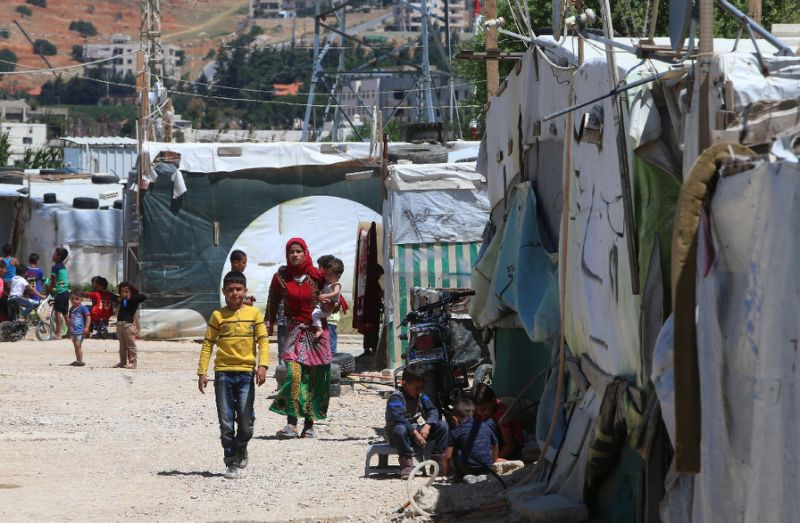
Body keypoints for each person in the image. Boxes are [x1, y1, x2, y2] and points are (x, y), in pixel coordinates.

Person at [198, 270, 269, 479]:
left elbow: (263, 341)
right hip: (223, 375)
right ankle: (231, 462)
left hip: (246, 374)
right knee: (226, 421)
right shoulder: (218, 315)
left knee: (246, 423)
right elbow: (208, 344)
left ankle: (242, 445)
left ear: (245, 291)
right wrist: (202, 371)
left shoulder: (254, 314)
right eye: (230, 290)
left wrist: (263, 365)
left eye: (238, 289)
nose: (234, 294)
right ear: (224, 292)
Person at [268, 238, 331, 439]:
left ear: (305, 252)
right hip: (294, 332)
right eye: (291, 252)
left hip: (316, 332)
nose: (294, 255)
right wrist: (267, 325)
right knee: (294, 375)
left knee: (312, 378)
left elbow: (335, 296)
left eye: (298, 251)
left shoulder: (318, 276)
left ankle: (309, 425)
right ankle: (291, 423)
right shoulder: (280, 278)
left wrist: (330, 304)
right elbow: (272, 302)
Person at [385, 365, 449, 479]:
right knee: (400, 429)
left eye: (421, 388)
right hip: (399, 435)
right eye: (416, 388)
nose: (419, 391)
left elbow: (432, 410)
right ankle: (406, 464)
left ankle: (438, 461)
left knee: (443, 426)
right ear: (404, 384)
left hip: (416, 432)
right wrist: (415, 433)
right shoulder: (396, 398)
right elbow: (398, 418)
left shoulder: (421, 396)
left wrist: (427, 426)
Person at [443, 397, 499, 478]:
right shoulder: (485, 425)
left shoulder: (455, 432)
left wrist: (446, 471)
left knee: (454, 447)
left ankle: (458, 475)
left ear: (455, 417)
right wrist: (494, 460)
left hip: (467, 469)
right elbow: (495, 444)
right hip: (487, 468)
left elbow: (447, 457)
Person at [474, 383, 524, 460]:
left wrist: (492, 459)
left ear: (493, 400)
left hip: (512, 448)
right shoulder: (482, 411)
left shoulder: (502, 415)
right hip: (496, 445)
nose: (479, 412)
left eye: (483, 409)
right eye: (477, 409)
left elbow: (510, 446)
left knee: (487, 423)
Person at [114, 281, 146, 369]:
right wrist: (119, 298)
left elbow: (143, 296)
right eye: (122, 291)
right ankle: (122, 362)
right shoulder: (121, 299)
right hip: (119, 324)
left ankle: (133, 363)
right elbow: (111, 297)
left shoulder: (133, 300)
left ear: (130, 292)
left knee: (131, 345)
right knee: (122, 345)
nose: (124, 293)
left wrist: (130, 297)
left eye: (126, 291)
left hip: (128, 325)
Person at [312, 257, 344, 341]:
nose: (319, 270)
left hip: (329, 308)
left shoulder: (335, 284)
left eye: (320, 267)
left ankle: (319, 329)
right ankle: (319, 329)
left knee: (331, 336)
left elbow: (336, 294)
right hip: (324, 306)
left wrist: (326, 296)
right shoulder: (327, 282)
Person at [46, 247, 70, 338]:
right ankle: (71, 333)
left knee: (57, 313)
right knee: (65, 314)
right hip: (66, 292)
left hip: (59, 293)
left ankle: (58, 333)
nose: (52, 255)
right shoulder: (63, 267)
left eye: (54, 254)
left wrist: (49, 291)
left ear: (58, 257)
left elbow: (53, 281)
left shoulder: (55, 267)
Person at [67, 291, 90, 367]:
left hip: (80, 331)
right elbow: (70, 320)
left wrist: (86, 327)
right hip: (73, 331)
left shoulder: (82, 308)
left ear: (81, 300)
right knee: (75, 346)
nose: (74, 301)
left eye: (77, 299)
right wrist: (69, 329)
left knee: (78, 345)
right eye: (72, 299)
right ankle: (78, 360)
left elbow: (88, 317)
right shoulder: (71, 309)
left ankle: (80, 360)